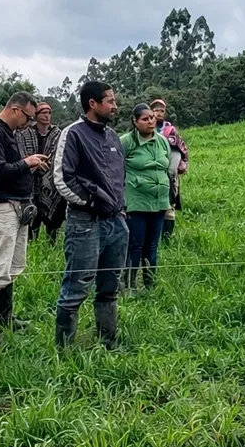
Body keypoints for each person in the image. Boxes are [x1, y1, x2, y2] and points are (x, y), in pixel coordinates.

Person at [53, 80, 128, 349]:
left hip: (116, 222)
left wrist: (121, 208)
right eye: (110, 100)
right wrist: (91, 203)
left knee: (110, 287)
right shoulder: (72, 134)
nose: (115, 105)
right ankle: (65, 350)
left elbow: (119, 177)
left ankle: (109, 341)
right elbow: (62, 179)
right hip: (85, 223)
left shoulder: (113, 137)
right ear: (92, 104)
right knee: (76, 288)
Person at [0, 91, 48, 345]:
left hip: (16, 208)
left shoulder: (8, 133)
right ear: (15, 110)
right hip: (0, 208)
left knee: (12, 266)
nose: (27, 123)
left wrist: (30, 165)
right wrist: (26, 163)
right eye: (27, 117)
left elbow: (11, 167)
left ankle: (5, 319)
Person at [121, 103, 172, 291]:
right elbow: (115, 169)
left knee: (152, 246)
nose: (151, 121)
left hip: (159, 202)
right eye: (145, 118)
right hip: (136, 202)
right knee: (135, 246)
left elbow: (167, 166)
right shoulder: (126, 142)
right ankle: (129, 285)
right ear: (135, 122)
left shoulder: (162, 141)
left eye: (152, 117)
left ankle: (150, 284)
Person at [16, 101, 66, 244]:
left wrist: (48, 165)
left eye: (49, 112)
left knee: (54, 217)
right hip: (30, 180)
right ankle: (31, 242)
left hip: (51, 181)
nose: (47, 115)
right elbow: (21, 153)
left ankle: (51, 243)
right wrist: (34, 164)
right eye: (43, 112)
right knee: (32, 215)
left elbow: (61, 154)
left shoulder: (58, 134)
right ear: (36, 115)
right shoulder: (25, 134)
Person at [152, 99, 188, 239]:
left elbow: (177, 150)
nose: (159, 113)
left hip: (167, 173)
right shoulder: (145, 128)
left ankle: (167, 237)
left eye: (161, 111)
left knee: (168, 206)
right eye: (156, 110)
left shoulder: (169, 130)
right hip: (151, 172)